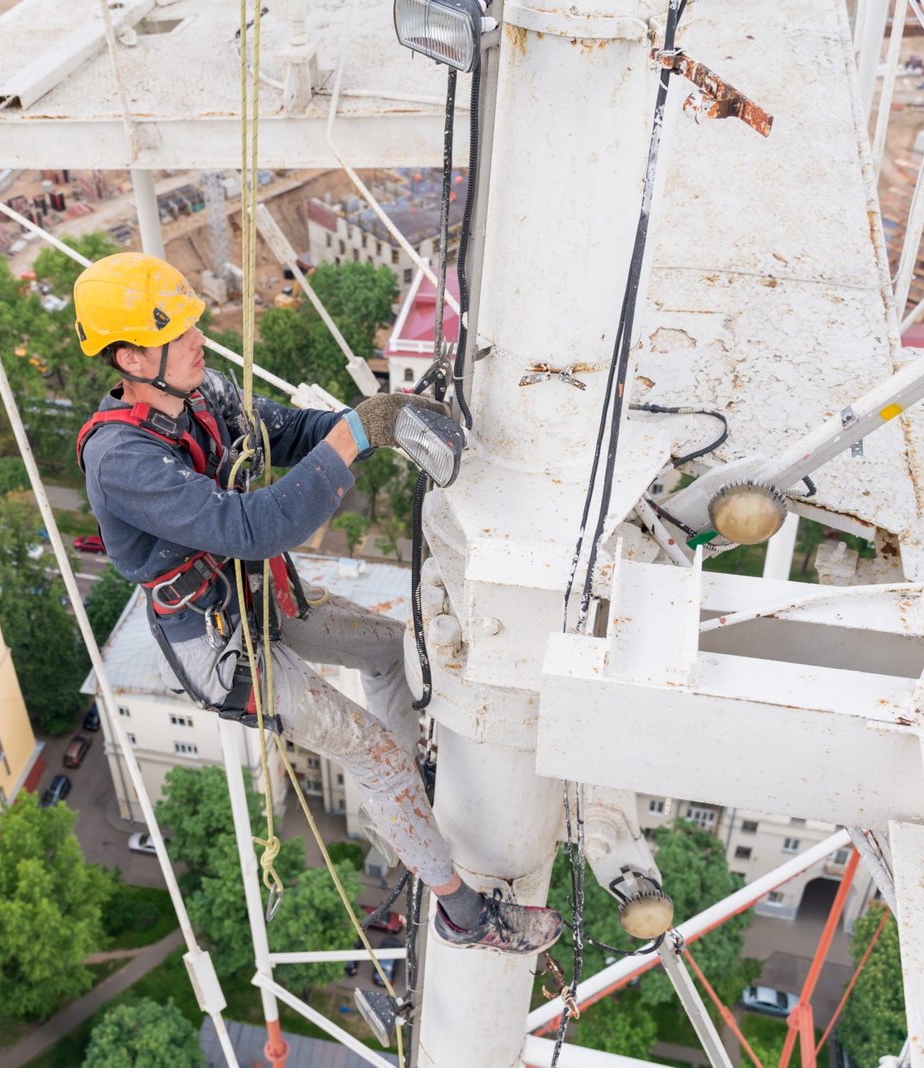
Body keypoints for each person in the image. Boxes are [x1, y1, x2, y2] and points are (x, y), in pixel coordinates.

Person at [73, 252, 563, 955]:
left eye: (189, 324)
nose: (194, 339)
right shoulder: (121, 459)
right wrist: (359, 430)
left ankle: (411, 788)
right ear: (128, 357)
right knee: (372, 752)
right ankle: (461, 914)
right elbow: (255, 528)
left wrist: (380, 423)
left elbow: (296, 434)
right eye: (172, 333)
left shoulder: (206, 393)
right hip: (222, 644)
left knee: (391, 646)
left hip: (258, 598)